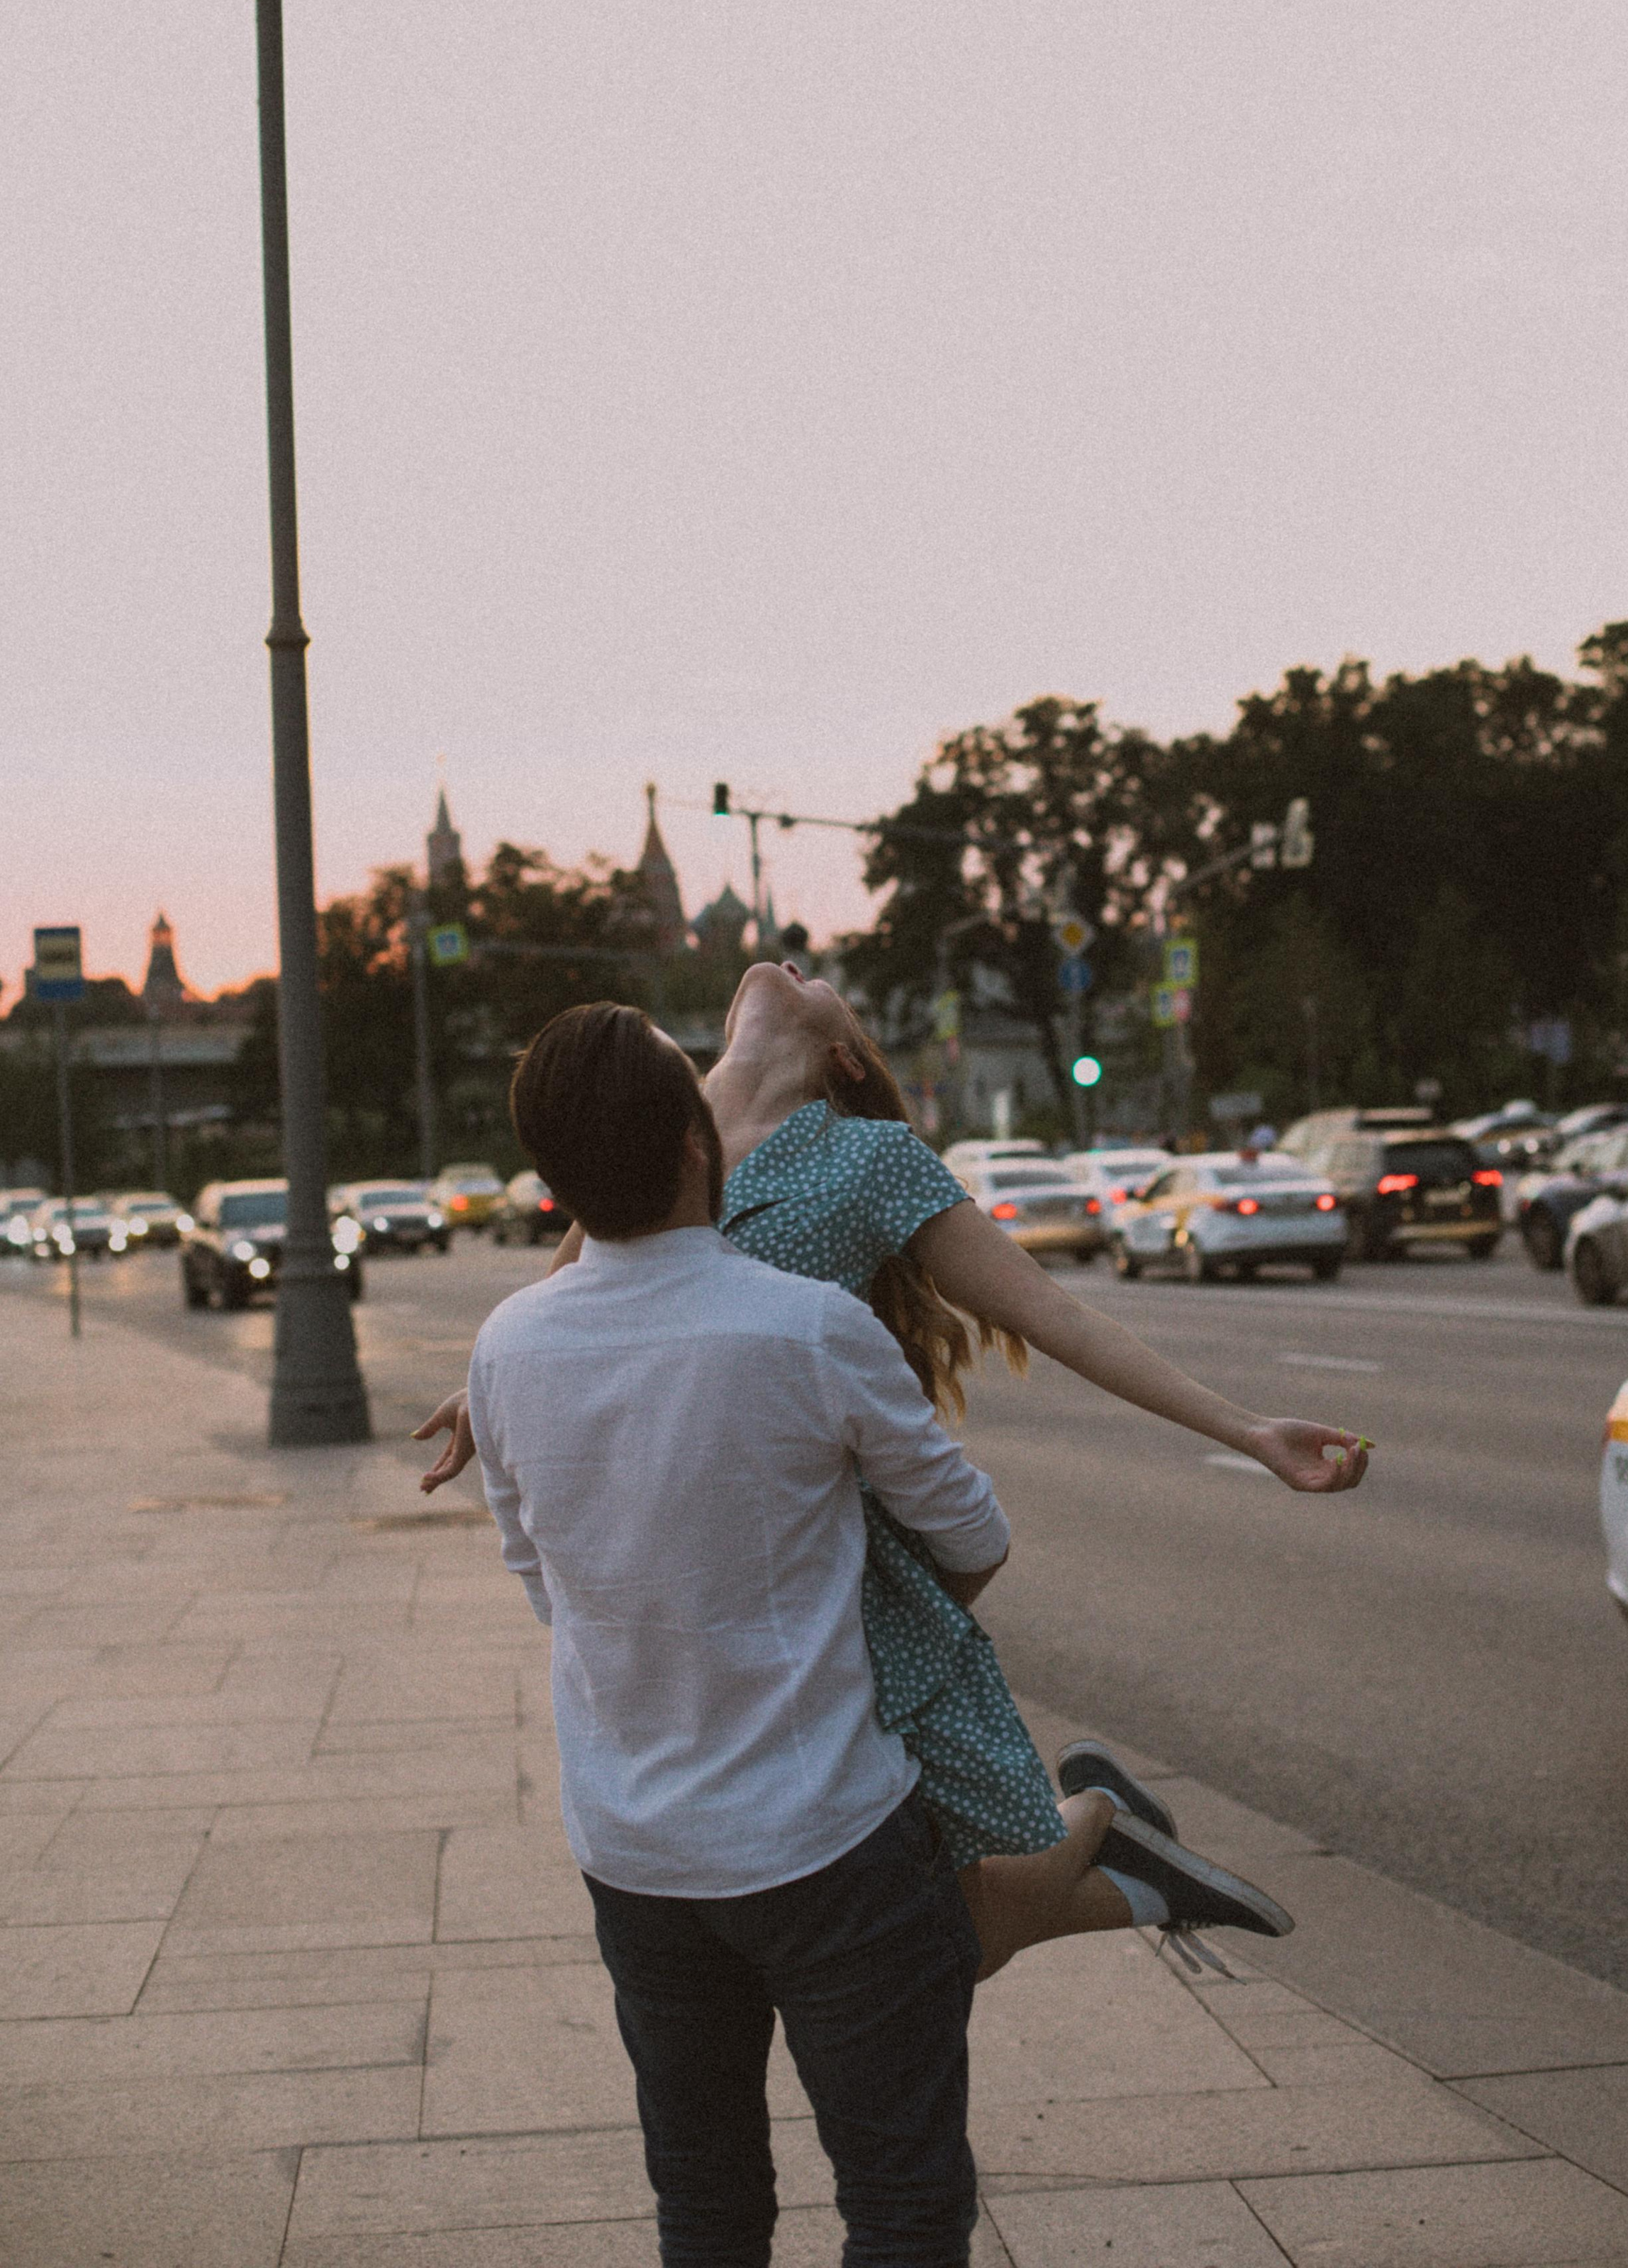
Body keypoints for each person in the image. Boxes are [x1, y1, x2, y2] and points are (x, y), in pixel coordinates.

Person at [418, 962, 1370, 1970]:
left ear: (841, 1055)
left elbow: (1052, 1312)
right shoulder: (652, 1125)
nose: (796, 967)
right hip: (700, 1549)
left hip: (820, 1556)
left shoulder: (868, 1158)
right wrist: (483, 1393)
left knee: (907, 1926)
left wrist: (1247, 1430)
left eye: (821, 978)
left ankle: (1097, 1825)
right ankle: (1117, 1847)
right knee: (912, 1931)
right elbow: (580, 1303)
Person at [470, 1000, 999, 2265]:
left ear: (554, 1177)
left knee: (705, 2203)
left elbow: (541, 1578)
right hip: (830, 1839)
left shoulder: (506, 1346)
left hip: (636, 1855)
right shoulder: (807, 1325)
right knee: (902, 2202)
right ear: (696, 1145)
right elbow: (973, 1535)